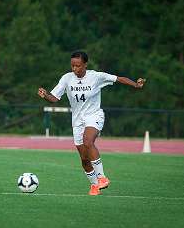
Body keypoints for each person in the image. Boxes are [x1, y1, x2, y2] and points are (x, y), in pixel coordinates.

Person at [37, 51, 145, 195]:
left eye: (78, 66)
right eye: (72, 65)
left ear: (85, 64)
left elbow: (119, 79)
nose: (75, 69)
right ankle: (94, 185)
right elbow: (55, 98)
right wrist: (45, 95)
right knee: (84, 159)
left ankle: (102, 178)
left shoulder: (96, 76)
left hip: (94, 115)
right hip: (77, 120)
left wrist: (135, 85)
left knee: (88, 141)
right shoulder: (67, 78)